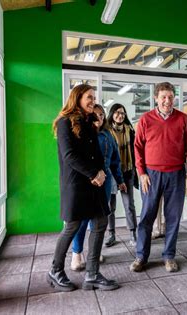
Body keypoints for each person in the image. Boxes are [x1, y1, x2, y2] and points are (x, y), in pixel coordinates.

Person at [48, 84, 118, 292]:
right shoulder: (63, 123)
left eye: (94, 97)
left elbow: (95, 153)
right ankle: (55, 270)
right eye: (89, 97)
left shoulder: (89, 122)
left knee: (100, 222)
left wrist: (101, 172)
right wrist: (93, 173)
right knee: (72, 226)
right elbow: (70, 156)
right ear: (77, 98)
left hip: (94, 183)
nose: (93, 100)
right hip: (76, 185)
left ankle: (93, 274)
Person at [130, 82, 187, 273]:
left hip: (176, 174)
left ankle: (169, 256)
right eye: (163, 97)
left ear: (174, 98)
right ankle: (141, 256)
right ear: (156, 98)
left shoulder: (184, 120)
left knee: (173, 217)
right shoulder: (145, 120)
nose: (167, 101)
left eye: (170, 97)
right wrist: (141, 173)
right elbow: (138, 148)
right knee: (147, 216)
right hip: (151, 175)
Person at [70, 104, 126, 271]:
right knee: (82, 219)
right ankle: (76, 254)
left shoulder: (108, 135)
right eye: (95, 115)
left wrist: (120, 180)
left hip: (105, 182)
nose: (99, 118)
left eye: (102, 115)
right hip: (86, 181)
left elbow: (115, 160)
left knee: (99, 220)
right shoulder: (82, 133)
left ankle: (94, 252)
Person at [106, 103, 139, 247]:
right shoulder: (105, 131)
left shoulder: (130, 130)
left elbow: (135, 151)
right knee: (110, 206)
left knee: (129, 204)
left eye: (123, 113)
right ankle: (111, 234)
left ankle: (133, 233)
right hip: (111, 173)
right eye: (118, 113)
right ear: (112, 114)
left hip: (127, 170)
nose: (120, 116)